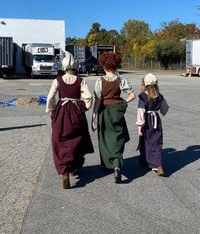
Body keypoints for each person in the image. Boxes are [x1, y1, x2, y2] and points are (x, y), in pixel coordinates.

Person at [46, 52, 94, 189]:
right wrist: (84, 107)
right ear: (75, 66)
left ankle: (65, 170)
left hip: (61, 110)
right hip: (76, 110)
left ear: (64, 66)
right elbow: (89, 97)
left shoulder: (58, 80)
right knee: (78, 138)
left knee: (60, 139)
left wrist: (52, 111)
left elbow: (50, 97)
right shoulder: (80, 80)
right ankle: (74, 168)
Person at [91, 52, 136, 183]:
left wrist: (94, 117)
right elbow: (132, 95)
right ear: (116, 66)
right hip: (117, 112)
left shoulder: (99, 81)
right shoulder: (121, 80)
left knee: (104, 139)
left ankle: (107, 164)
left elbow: (98, 100)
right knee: (117, 138)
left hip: (104, 112)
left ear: (104, 66)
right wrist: (123, 103)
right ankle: (117, 165)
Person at [136, 73, 169, 176]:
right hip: (156, 121)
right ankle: (157, 165)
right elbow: (165, 107)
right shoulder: (159, 95)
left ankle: (150, 162)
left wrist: (140, 125)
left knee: (146, 141)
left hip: (147, 121)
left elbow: (141, 111)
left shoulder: (143, 96)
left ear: (145, 84)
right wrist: (162, 113)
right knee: (157, 142)